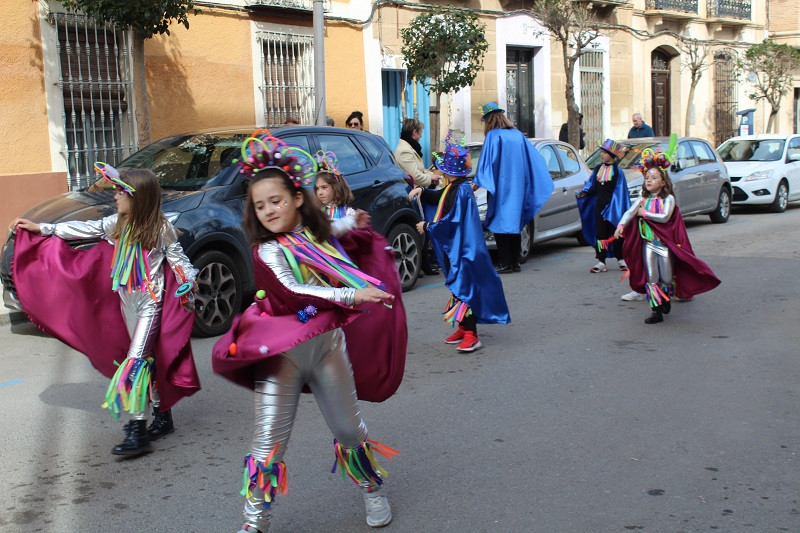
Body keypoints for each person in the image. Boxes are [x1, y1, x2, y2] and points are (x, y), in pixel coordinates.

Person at [211, 131, 406, 533]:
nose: (267, 211)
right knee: (268, 444)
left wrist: (353, 220)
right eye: (259, 205)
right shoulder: (268, 249)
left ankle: (372, 490)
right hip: (281, 353)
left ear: (298, 198)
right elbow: (293, 289)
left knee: (349, 430)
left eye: (276, 201)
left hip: (327, 348)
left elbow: (332, 230)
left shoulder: (312, 234)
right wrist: (353, 294)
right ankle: (254, 522)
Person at [13, 165, 200, 457]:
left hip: (152, 301)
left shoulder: (160, 227)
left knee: (135, 360)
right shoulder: (117, 223)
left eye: (120, 191)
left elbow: (179, 260)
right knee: (147, 359)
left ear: (136, 197)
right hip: (127, 302)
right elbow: (84, 228)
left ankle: (138, 430)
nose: (115, 196)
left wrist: (189, 281)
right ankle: (163, 415)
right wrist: (43, 229)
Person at [409, 133, 510, 352]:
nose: (438, 171)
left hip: (465, 249)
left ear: (447, 171)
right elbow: (438, 198)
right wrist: (422, 190)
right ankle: (463, 328)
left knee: (466, 289)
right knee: (458, 288)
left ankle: (472, 334)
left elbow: (453, 220)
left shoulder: (462, 191)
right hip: (456, 248)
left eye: (441, 168)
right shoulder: (453, 187)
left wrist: (427, 226)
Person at [614, 137, 720, 323]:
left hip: (664, 246)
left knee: (666, 277)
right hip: (648, 245)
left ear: (663, 182)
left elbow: (663, 217)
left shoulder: (668, 199)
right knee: (651, 277)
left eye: (654, 178)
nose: (649, 181)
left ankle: (665, 298)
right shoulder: (642, 198)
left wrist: (645, 214)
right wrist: (621, 225)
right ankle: (656, 311)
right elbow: (630, 213)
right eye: (647, 177)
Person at [474, 101, 554, 274]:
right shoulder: (517, 135)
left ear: (489, 119)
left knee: (499, 224)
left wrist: (478, 182)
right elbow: (531, 160)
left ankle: (504, 262)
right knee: (514, 224)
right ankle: (515, 262)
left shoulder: (493, 136)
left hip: (500, 188)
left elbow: (487, 163)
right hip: (518, 189)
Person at [576, 139, 630, 273]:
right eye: (601, 152)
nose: (601, 155)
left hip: (613, 209)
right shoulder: (598, 168)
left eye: (604, 152)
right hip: (599, 208)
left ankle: (621, 259)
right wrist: (583, 193)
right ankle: (601, 261)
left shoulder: (618, 172)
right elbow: (592, 185)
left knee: (616, 235)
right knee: (600, 235)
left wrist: (613, 210)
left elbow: (620, 193)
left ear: (611, 155)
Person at [395, 118, 441, 275]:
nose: (421, 135)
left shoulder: (408, 147)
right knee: (422, 227)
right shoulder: (405, 150)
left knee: (424, 226)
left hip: (419, 191)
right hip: (415, 193)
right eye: (420, 132)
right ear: (414, 132)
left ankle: (425, 263)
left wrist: (428, 174)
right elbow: (414, 175)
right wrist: (431, 178)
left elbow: (418, 170)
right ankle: (425, 263)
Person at [315, 150, 357, 231]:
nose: (319, 193)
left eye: (324, 187)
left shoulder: (348, 213)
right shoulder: (318, 212)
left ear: (336, 187)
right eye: (317, 188)